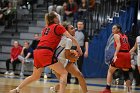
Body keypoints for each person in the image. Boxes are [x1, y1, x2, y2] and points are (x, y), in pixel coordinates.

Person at [10, 11, 82, 93]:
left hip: (37, 52)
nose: (59, 18)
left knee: (35, 76)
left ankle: (17, 89)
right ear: (55, 18)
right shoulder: (58, 27)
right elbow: (71, 37)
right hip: (46, 52)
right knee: (64, 73)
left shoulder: (45, 29)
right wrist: (78, 48)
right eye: (57, 16)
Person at [50, 23, 88, 93]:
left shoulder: (65, 39)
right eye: (72, 28)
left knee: (80, 75)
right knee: (64, 83)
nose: (74, 30)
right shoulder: (68, 40)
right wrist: (74, 58)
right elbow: (67, 55)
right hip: (57, 63)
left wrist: (72, 51)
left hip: (64, 61)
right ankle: (54, 89)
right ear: (66, 31)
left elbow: (63, 51)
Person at [100, 24, 132, 93]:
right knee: (126, 74)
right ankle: (129, 91)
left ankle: (107, 89)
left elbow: (119, 45)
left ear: (118, 29)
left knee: (110, 71)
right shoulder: (125, 36)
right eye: (112, 28)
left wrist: (115, 55)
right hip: (127, 54)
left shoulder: (116, 35)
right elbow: (128, 46)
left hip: (120, 54)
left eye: (114, 28)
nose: (112, 30)